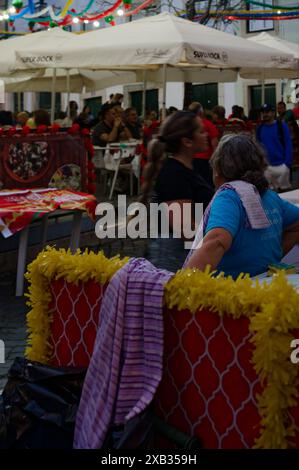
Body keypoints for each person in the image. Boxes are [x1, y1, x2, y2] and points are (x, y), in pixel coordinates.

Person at [184, 134, 299, 279]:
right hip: (266, 286)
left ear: (218, 168)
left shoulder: (228, 196)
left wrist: (184, 284)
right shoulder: (269, 196)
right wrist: (272, 257)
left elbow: (217, 241)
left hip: (231, 293)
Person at [140, 111, 214, 272]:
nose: (206, 134)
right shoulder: (174, 174)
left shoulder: (190, 168)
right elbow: (185, 228)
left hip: (185, 254)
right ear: (187, 141)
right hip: (173, 260)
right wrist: (221, 234)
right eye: (201, 131)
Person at [257, 103, 292, 190]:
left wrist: (287, 164)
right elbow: (258, 147)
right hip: (267, 168)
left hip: (282, 166)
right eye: (263, 112)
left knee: (285, 193)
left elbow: (288, 144)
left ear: (273, 113)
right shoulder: (260, 129)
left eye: (267, 112)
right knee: (270, 194)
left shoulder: (281, 126)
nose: (265, 114)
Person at [188, 102, 219, 187]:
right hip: (205, 160)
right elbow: (214, 143)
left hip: (189, 159)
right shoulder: (207, 124)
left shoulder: (186, 124)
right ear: (201, 112)